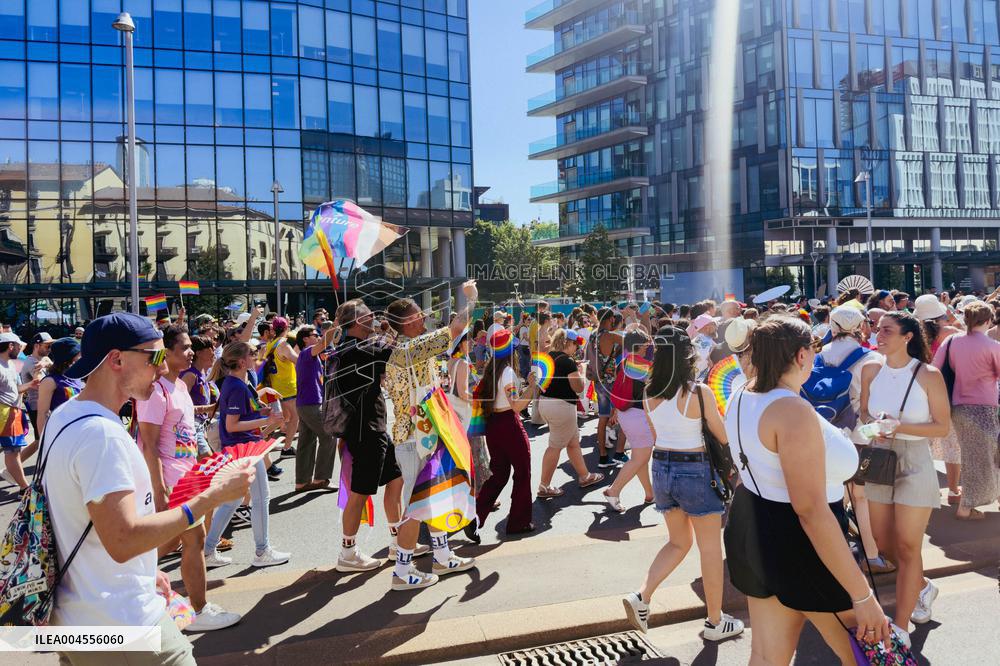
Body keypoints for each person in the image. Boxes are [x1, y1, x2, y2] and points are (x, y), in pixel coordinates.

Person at [42, 313, 254, 665]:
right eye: (154, 357)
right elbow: (123, 540)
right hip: (123, 622)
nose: (162, 368)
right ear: (116, 360)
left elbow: (81, 522)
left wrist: (144, 570)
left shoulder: (66, 416)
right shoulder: (102, 436)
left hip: (77, 616)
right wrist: (211, 497)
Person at [723, 315, 891, 664]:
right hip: (803, 542)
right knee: (870, 655)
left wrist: (868, 433)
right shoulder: (790, 409)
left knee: (767, 657)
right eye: (813, 349)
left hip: (753, 525)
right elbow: (810, 511)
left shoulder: (742, 392)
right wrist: (862, 596)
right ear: (801, 355)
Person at [622, 326, 743, 641]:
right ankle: (715, 622)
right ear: (687, 355)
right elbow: (722, 435)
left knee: (678, 542)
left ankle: (642, 595)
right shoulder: (699, 392)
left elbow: (656, 432)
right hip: (696, 469)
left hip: (662, 467)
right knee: (710, 549)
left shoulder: (648, 392)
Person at [136, 325, 242, 632]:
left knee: (171, 541)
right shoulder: (155, 391)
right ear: (165, 353)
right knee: (194, 540)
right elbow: (149, 444)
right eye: (183, 347)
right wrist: (159, 488)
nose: (190, 351)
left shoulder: (180, 386)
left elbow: (181, 427)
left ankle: (125, 573)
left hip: (186, 475)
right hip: (171, 480)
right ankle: (199, 610)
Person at [861, 311, 950, 645]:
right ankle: (922, 587)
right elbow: (864, 413)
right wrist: (874, 426)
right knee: (884, 544)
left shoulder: (928, 374)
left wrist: (899, 426)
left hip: (915, 459)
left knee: (909, 546)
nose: (878, 334)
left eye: (887, 330)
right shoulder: (870, 369)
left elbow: (942, 427)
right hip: (880, 456)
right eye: (877, 328)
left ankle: (901, 626)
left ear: (907, 336)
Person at [383, 283, 479, 588]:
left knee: (434, 497)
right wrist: (471, 299)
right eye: (418, 315)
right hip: (415, 439)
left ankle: (442, 555)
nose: (424, 317)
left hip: (419, 435)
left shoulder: (404, 349)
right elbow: (457, 327)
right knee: (416, 506)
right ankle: (402, 571)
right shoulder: (410, 349)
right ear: (407, 322)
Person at [332, 299, 418, 575]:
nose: (374, 317)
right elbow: (399, 356)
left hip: (370, 428)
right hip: (366, 430)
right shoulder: (359, 349)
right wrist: (394, 328)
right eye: (369, 314)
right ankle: (348, 552)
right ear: (358, 321)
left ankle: (396, 540)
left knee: (395, 479)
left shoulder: (350, 347)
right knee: (359, 492)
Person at [203, 342, 290, 569]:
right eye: (252, 354)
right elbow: (232, 425)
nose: (256, 356)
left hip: (242, 448)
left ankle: (208, 550)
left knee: (232, 501)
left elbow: (243, 414)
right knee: (261, 498)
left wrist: (262, 412)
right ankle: (262, 551)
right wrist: (267, 419)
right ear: (242, 362)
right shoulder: (236, 386)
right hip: (244, 449)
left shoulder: (238, 383)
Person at [819, 306, 892, 574]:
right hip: (860, 434)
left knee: (833, 495)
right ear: (861, 327)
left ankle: (833, 553)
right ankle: (871, 555)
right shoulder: (871, 358)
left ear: (832, 326)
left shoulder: (818, 355)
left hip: (826, 433)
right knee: (861, 496)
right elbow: (875, 404)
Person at [932, 301, 1000, 521]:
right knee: (980, 457)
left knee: (976, 456)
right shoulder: (992, 346)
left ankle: (982, 498)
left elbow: (934, 369)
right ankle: (966, 506)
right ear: (988, 320)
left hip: (957, 405)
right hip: (984, 407)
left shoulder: (952, 341)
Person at [472, 329, 540, 536]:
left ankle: (475, 517)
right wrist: (531, 387)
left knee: (498, 474)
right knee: (522, 473)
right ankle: (518, 522)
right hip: (509, 424)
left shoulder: (491, 370)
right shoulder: (508, 372)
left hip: (493, 425)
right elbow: (517, 406)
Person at [537, 329, 603, 498]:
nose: (577, 348)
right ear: (568, 343)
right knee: (555, 446)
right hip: (561, 407)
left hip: (546, 403)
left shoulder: (549, 356)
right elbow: (579, 388)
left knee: (573, 442)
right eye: (575, 344)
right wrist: (581, 372)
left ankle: (584, 476)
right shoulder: (567, 362)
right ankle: (544, 486)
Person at [914, 294, 964, 505]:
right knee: (951, 444)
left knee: (920, 443)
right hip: (946, 391)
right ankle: (953, 490)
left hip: (920, 391)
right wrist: (951, 314)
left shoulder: (913, 334)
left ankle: (924, 490)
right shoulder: (950, 332)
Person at [603, 328, 654, 512]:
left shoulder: (624, 362)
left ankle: (650, 494)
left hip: (626, 414)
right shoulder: (643, 365)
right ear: (639, 345)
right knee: (640, 458)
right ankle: (613, 490)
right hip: (638, 415)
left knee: (639, 457)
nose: (648, 345)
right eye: (646, 342)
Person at [293, 324, 338, 492]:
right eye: (315, 335)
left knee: (306, 442)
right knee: (329, 435)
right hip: (310, 404)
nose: (318, 337)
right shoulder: (307, 352)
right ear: (305, 339)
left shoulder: (312, 355)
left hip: (306, 404)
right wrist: (335, 325)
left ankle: (302, 482)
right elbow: (324, 342)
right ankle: (321, 479)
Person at [0, 332, 37, 490]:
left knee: (13, 451)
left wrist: (30, 385)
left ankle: (24, 487)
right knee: (12, 452)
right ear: (10, 346)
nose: (20, 349)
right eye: (18, 346)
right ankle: (24, 488)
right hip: (6, 413)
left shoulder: (10, 364)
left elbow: (15, 389)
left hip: (13, 413)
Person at [590, 309, 625, 468]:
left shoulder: (593, 335)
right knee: (623, 414)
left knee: (603, 418)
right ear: (611, 319)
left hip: (599, 381)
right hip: (612, 382)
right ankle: (619, 452)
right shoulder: (610, 336)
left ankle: (603, 457)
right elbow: (632, 341)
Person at [260, 317, 299, 460]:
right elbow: (297, 360)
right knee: (295, 418)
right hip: (287, 387)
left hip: (275, 387)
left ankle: (258, 437)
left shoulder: (270, 343)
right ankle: (287, 448)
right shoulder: (283, 344)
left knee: (283, 418)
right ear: (286, 328)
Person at [35, 337, 83, 436]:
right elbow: (42, 414)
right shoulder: (50, 381)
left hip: (78, 430)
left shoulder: (76, 377)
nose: (81, 356)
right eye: (78, 354)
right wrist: (44, 441)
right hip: (60, 432)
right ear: (69, 357)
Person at [20, 331, 52, 437]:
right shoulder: (32, 362)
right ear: (37, 346)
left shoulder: (44, 359)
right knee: (42, 440)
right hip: (37, 408)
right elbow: (44, 385)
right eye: (47, 346)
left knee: (42, 440)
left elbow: (53, 367)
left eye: (51, 346)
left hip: (43, 406)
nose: (50, 349)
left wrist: (47, 363)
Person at [686, 314, 718, 380]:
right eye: (714, 324)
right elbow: (704, 363)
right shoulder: (707, 344)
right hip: (699, 379)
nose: (716, 328)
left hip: (693, 379)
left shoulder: (697, 340)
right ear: (707, 327)